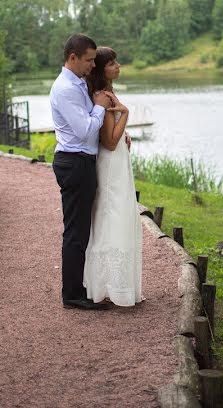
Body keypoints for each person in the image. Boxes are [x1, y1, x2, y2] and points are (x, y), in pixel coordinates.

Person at [50, 33, 116, 310]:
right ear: (73, 57)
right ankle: (73, 295)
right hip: (75, 163)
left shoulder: (77, 84)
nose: (93, 65)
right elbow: (85, 129)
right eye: (89, 60)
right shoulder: (65, 89)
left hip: (81, 161)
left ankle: (80, 287)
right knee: (76, 232)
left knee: (81, 230)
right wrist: (101, 108)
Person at [82, 47, 143, 307]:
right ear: (101, 69)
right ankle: (109, 285)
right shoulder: (102, 97)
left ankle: (117, 284)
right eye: (112, 63)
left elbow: (114, 136)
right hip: (110, 164)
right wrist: (125, 115)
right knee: (112, 216)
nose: (118, 66)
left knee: (119, 215)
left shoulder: (109, 93)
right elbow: (108, 141)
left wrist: (123, 132)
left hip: (118, 161)